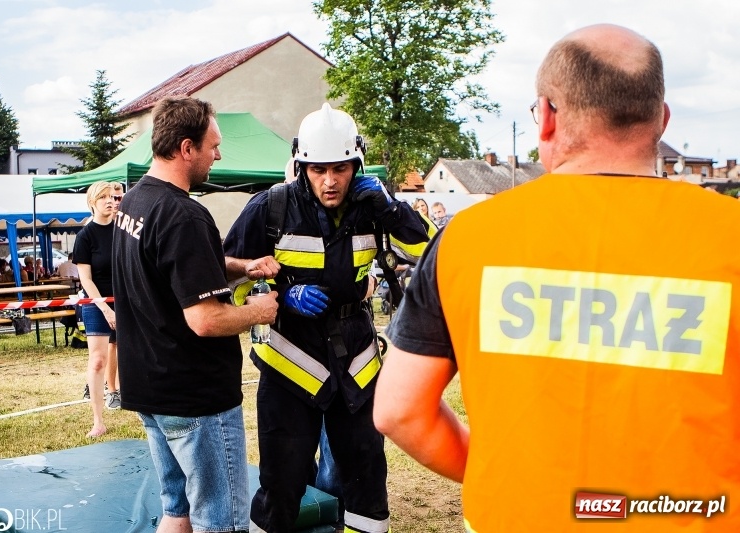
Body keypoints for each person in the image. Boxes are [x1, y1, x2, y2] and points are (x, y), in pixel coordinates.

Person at [373, 24, 740, 532]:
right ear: (661, 120)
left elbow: (399, 411)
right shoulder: (729, 235)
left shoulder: (471, 237)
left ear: (545, 117)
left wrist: (505, 476)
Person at [224, 102, 430, 533]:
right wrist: (279, 294)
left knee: (367, 479)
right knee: (281, 484)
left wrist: (392, 210)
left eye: (340, 168)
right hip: (290, 365)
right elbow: (227, 275)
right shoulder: (270, 207)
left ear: (356, 163)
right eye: (319, 170)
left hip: (356, 364)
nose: (330, 181)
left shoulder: (374, 207)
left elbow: (430, 255)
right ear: (301, 166)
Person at [113, 96, 278, 533]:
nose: (218, 155)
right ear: (187, 148)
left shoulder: (134, 203)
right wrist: (257, 311)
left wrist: (242, 266)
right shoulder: (185, 214)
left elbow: (172, 263)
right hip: (196, 399)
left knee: (177, 510)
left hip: (150, 389)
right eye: (213, 145)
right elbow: (206, 319)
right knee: (220, 521)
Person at [73, 181, 121, 437]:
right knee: (98, 360)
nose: (109, 201)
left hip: (126, 301)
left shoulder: (123, 231)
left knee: (134, 355)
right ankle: (98, 421)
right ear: (92, 202)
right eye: (102, 197)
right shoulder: (85, 236)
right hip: (96, 304)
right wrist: (105, 308)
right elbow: (86, 279)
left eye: (111, 196)